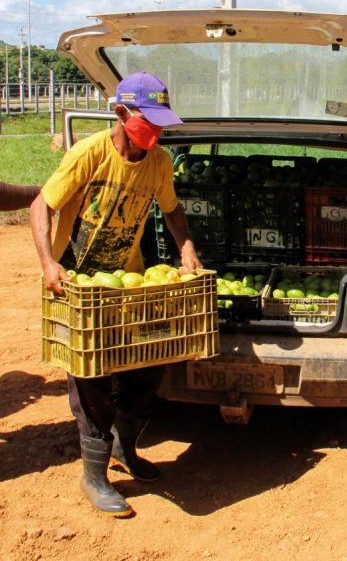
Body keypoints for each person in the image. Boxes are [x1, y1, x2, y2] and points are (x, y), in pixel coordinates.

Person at [30, 71, 200, 518]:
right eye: (150, 120)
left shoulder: (160, 161)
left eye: (163, 122)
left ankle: (127, 448)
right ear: (122, 114)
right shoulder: (89, 154)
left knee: (148, 363)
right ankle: (94, 475)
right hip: (79, 286)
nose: (157, 131)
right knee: (92, 381)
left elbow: (173, 209)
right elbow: (41, 205)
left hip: (128, 282)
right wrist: (50, 264)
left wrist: (187, 248)